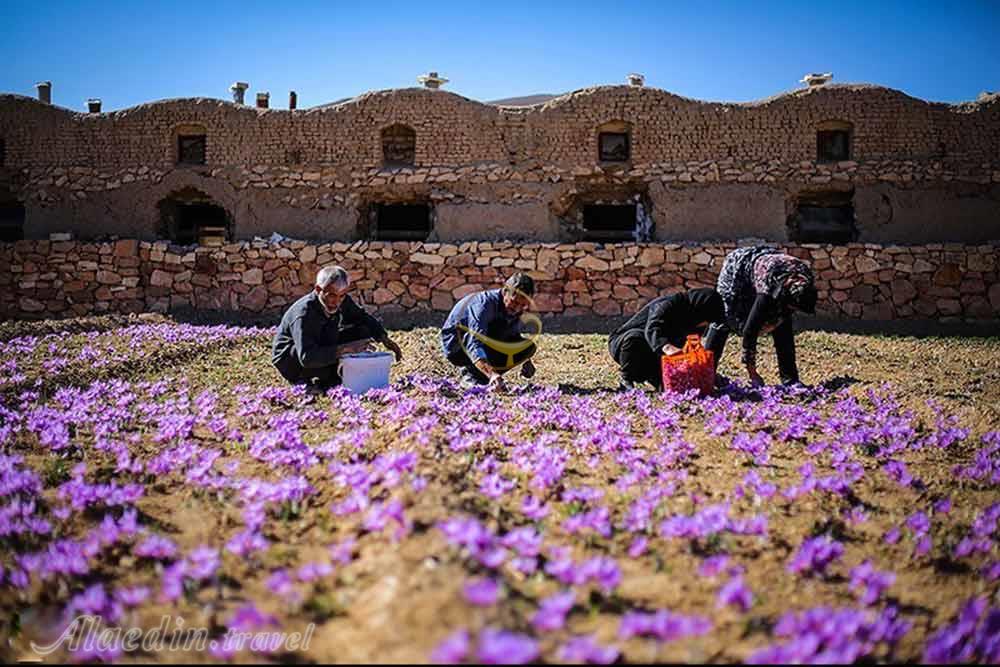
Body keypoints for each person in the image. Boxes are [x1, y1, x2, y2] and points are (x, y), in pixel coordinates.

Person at [272, 265, 403, 390]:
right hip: (292, 360)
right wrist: (346, 349)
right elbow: (307, 357)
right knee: (319, 358)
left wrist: (384, 338)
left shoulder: (340, 299)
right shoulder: (304, 313)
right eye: (332, 295)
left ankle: (335, 375)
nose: (336, 302)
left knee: (363, 331)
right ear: (318, 290)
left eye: (342, 296)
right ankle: (322, 378)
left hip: (322, 342)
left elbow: (361, 317)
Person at [704, 246, 818, 387]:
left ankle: (790, 379)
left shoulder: (806, 279)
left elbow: (785, 312)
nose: (793, 311)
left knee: (783, 324)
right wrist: (752, 373)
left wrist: (779, 319)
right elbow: (750, 330)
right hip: (738, 267)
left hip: (766, 266)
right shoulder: (768, 287)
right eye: (792, 306)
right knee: (724, 316)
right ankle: (706, 373)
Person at [608, 288, 725, 390]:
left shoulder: (693, 320)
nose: (705, 324)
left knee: (673, 385)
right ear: (700, 309)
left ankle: (655, 379)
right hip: (625, 346)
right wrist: (667, 347)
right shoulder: (668, 304)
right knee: (635, 338)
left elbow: (689, 351)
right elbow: (653, 328)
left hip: (655, 354)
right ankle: (626, 378)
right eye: (706, 319)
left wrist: (705, 372)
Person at [440, 273, 539, 389]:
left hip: (484, 339)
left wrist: (525, 360)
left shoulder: (514, 309)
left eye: (523, 305)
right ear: (505, 291)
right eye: (515, 302)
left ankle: (483, 376)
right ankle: (471, 374)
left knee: (527, 348)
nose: (517, 308)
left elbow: (512, 335)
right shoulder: (484, 304)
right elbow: (474, 342)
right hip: (457, 346)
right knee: (492, 331)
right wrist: (491, 374)